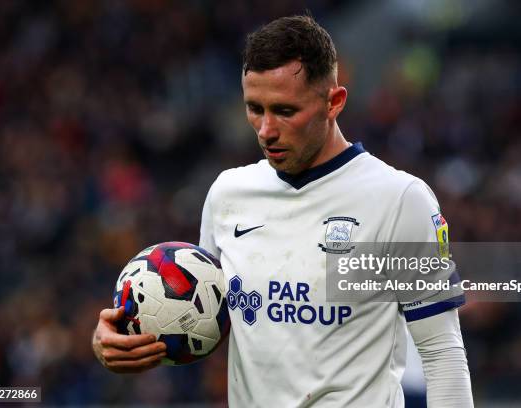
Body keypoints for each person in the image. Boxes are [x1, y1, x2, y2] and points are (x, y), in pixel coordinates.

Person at [93, 15, 474, 407]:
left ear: (334, 102)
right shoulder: (229, 194)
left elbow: (442, 353)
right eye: (254, 108)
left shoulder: (400, 199)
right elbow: (207, 319)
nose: (265, 130)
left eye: (285, 111)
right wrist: (121, 338)